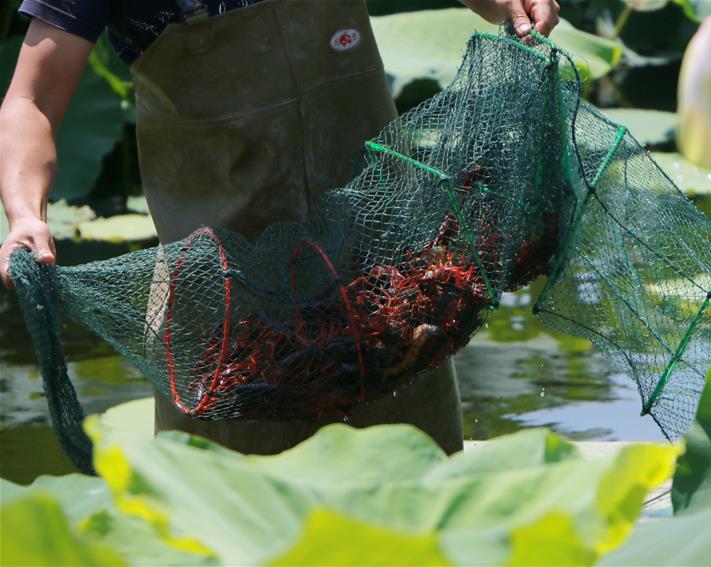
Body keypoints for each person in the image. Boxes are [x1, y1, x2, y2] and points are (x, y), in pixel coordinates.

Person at [0, 0, 560, 455]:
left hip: (387, 292)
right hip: (227, 310)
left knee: (414, 516)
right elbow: (31, 100)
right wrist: (26, 213)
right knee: (234, 528)